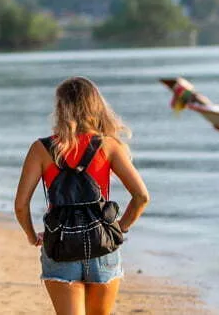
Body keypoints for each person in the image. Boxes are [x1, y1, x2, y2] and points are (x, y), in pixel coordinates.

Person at [13, 76, 152, 315]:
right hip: (102, 246)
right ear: (96, 106)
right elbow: (141, 196)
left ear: (60, 108)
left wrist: (31, 235)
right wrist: (120, 228)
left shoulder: (41, 149)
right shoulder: (108, 146)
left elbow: (20, 206)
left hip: (60, 245)